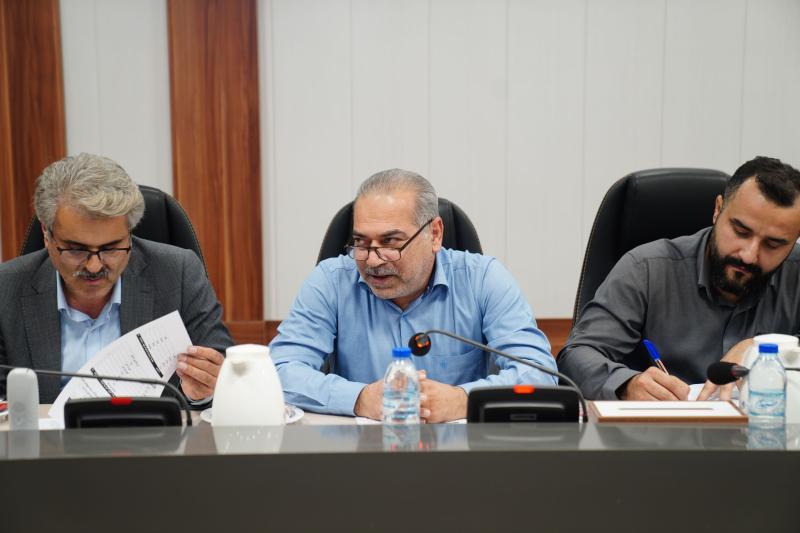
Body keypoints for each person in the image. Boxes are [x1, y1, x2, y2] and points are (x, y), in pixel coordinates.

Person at [270, 169, 557, 422]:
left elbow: (540, 373)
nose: (373, 260)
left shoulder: (483, 279)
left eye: (390, 242)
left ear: (435, 234)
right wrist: (360, 398)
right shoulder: (331, 281)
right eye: (361, 243)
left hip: (460, 454)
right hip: (358, 453)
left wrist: (462, 400)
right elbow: (279, 370)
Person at [559, 156, 800, 401]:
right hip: (661, 423)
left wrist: (775, 348)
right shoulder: (646, 269)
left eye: (773, 244)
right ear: (718, 210)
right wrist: (626, 385)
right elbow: (576, 357)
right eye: (740, 231)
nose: (749, 255)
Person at [0, 153, 233, 403]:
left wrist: (205, 390)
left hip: (152, 428)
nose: (94, 266)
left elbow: (222, 371)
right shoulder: (7, 288)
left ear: (129, 233)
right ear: (47, 235)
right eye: (76, 249)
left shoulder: (178, 273)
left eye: (111, 248)